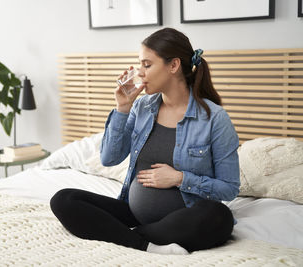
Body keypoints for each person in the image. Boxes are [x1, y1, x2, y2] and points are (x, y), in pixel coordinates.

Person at [50, 27, 240, 255]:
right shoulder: (141, 107)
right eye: (140, 65)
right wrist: (122, 108)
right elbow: (109, 158)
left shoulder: (214, 119)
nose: (140, 73)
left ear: (173, 65)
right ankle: (145, 244)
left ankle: (123, 235)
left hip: (185, 215)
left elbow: (228, 189)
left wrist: (179, 178)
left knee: (219, 217)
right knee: (64, 199)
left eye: (147, 65)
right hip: (133, 212)